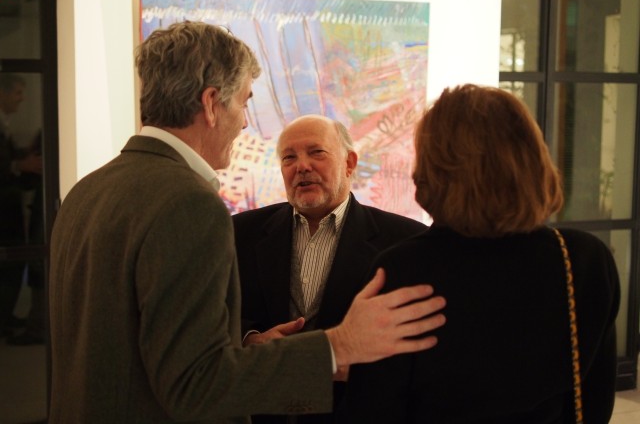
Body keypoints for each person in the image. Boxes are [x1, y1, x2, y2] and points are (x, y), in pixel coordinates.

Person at [48, 21, 447, 424]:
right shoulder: (189, 202)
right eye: (243, 103)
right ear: (210, 104)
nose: (243, 123)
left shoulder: (86, 191)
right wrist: (336, 347)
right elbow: (196, 385)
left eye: (317, 153)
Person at [340, 84, 620, 423]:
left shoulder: (402, 270)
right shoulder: (582, 259)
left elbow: (371, 409)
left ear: (433, 171)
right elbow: (594, 403)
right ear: (533, 158)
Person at [233, 114, 428, 424]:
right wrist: (249, 338)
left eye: (317, 152)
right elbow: (213, 314)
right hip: (260, 411)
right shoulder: (239, 233)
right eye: (289, 158)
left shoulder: (405, 241)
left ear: (349, 163)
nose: (302, 166)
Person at [0, 73, 42, 340]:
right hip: (4, 214)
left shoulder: (5, 124)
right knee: (9, 269)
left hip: (9, 211)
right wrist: (20, 165)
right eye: (17, 92)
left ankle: (5, 316)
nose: (21, 98)